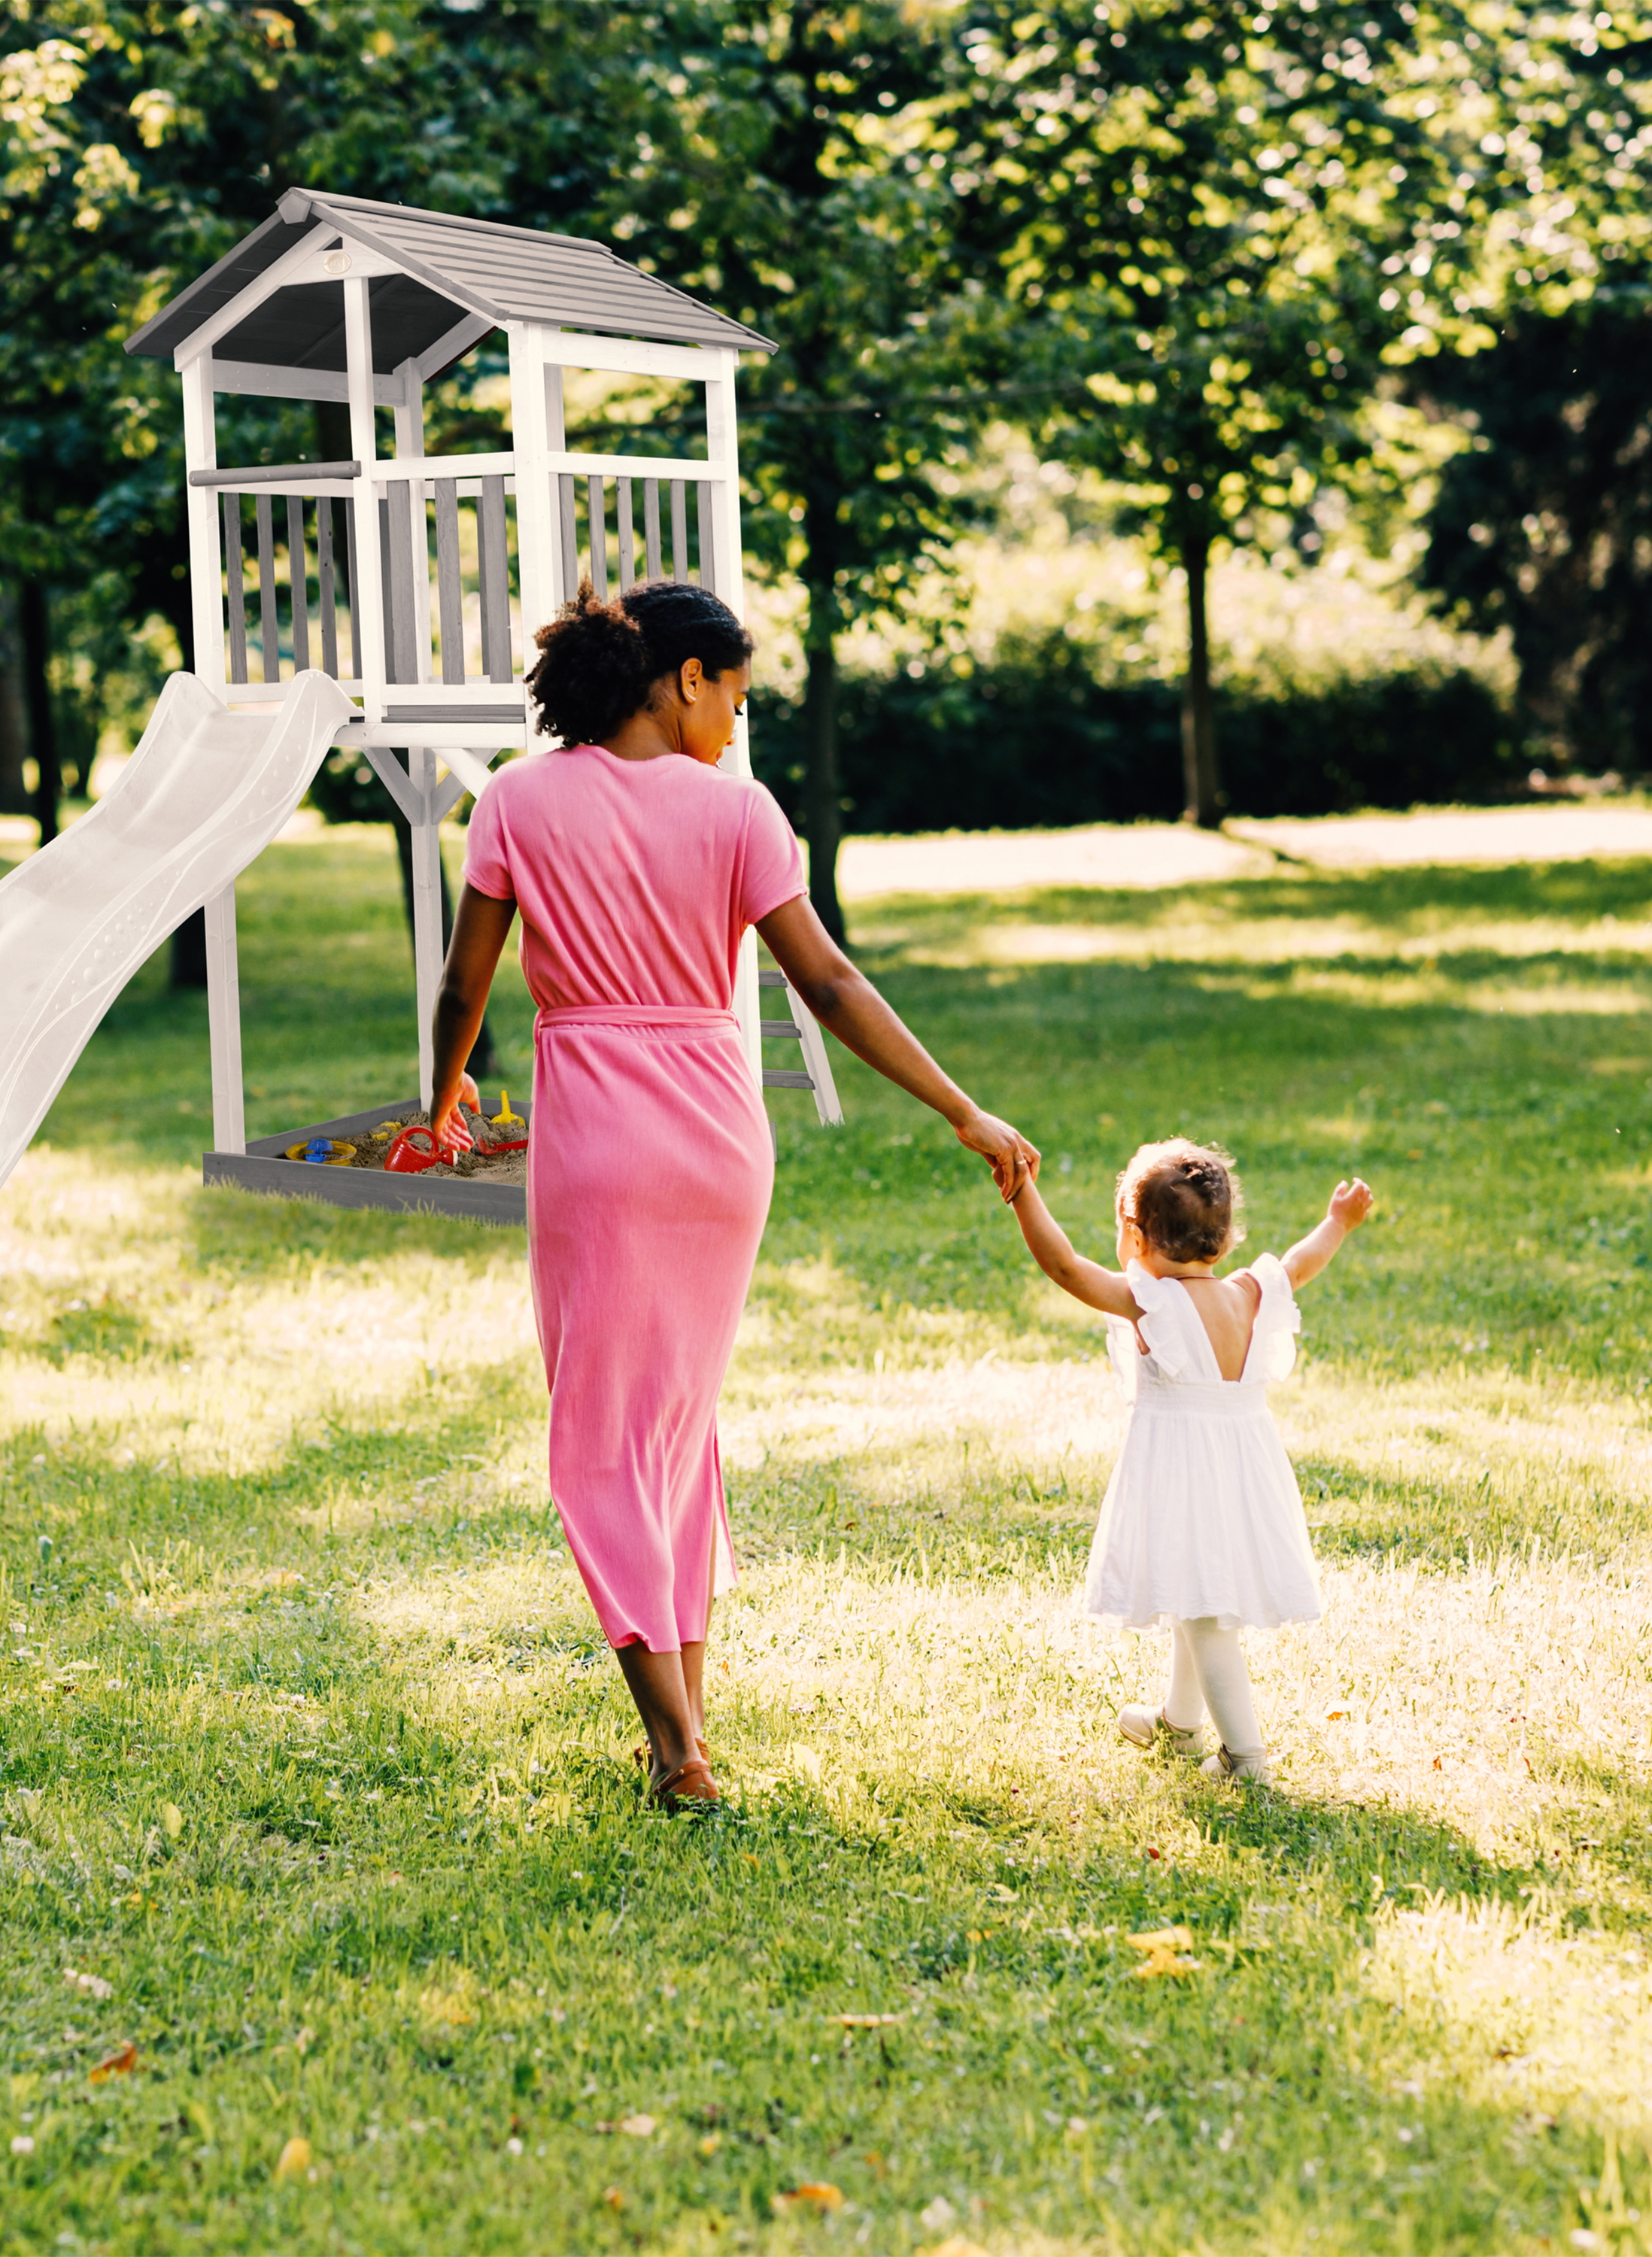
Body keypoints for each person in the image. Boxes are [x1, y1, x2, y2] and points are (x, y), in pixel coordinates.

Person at [425, 581, 1039, 1809]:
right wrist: (960, 1108)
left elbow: (463, 986)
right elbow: (832, 984)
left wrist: (441, 1099)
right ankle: (686, 1728)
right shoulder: (741, 812)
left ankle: (676, 1750)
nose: (735, 725)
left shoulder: (516, 800)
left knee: (602, 1441)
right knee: (674, 1428)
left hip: (599, 1143)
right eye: (736, 699)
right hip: (718, 1142)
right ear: (685, 678)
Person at [1005, 1137, 1374, 1782]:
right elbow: (1301, 1261)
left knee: (1205, 1618)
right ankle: (1179, 1724)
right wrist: (1337, 1223)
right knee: (1192, 1592)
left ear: (1135, 1236)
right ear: (1224, 1239)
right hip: (1243, 1475)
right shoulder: (1250, 1293)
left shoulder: (1151, 1302)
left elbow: (1063, 1266)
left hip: (1185, 1477)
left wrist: (1022, 1191)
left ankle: (1246, 1759)